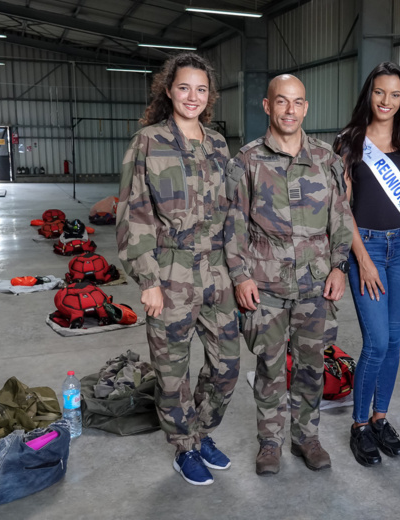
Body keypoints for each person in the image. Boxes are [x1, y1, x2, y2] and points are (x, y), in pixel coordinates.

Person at [116, 53, 240, 486]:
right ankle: (184, 448)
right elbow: (134, 213)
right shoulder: (148, 142)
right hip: (170, 271)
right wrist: (148, 281)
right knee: (172, 371)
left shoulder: (219, 144)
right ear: (168, 89)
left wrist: (238, 272)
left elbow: (233, 213)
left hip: (217, 271)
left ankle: (202, 431)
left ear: (210, 96)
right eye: (184, 87)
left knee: (226, 366)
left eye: (201, 89)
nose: (193, 96)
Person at [224, 74, 353, 476]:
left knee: (312, 367)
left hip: (316, 282)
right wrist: (240, 275)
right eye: (282, 102)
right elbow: (233, 225)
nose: (290, 110)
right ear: (267, 106)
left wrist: (339, 265)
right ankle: (269, 442)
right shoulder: (245, 161)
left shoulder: (327, 159)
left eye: (297, 102)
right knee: (269, 367)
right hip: (265, 285)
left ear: (306, 108)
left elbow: (341, 218)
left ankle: (306, 438)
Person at [333, 62, 400, 466]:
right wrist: (362, 259)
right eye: (379, 92)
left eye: (395, 94)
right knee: (377, 341)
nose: (386, 101)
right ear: (368, 94)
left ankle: (380, 418)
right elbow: (344, 207)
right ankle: (358, 425)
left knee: (395, 340)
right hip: (367, 246)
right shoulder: (350, 141)